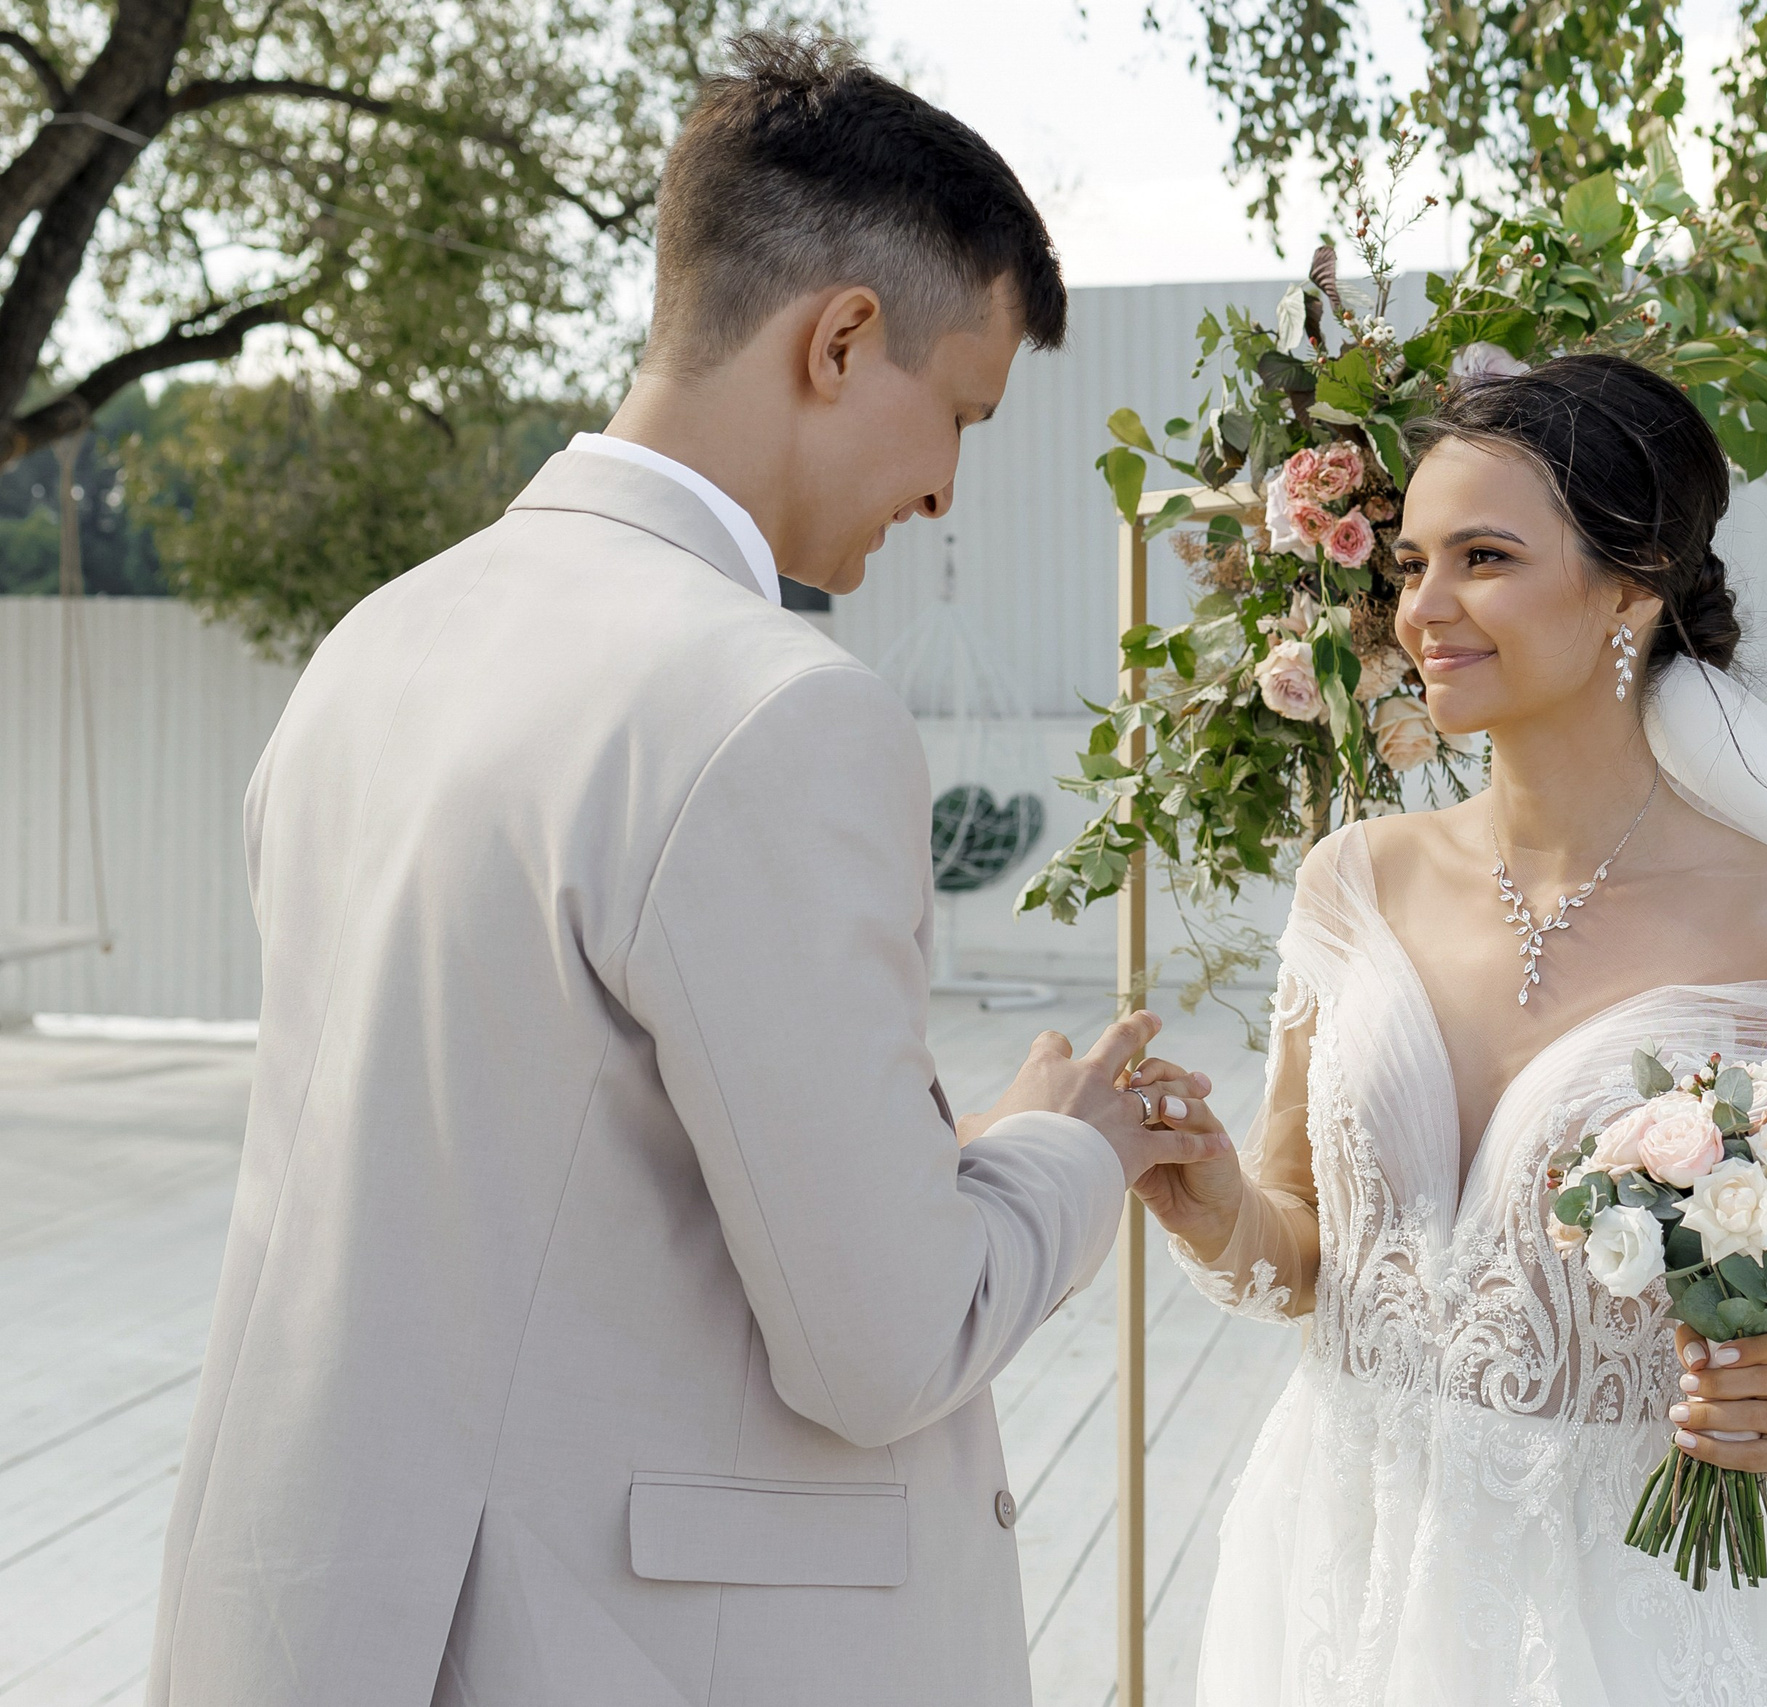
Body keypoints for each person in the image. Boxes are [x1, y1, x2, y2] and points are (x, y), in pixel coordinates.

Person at [147, 33, 1224, 1707]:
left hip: (334, 1624)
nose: (947, 489)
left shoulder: (374, 647)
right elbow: (881, 1343)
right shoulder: (774, 709)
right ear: (842, 339)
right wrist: (1048, 1153)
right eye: (959, 413)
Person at [1128, 355, 1767, 1705]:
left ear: (1635, 582)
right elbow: (1299, 1262)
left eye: (1485, 558)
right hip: (1337, 1581)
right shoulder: (1354, 884)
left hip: (1626, 1620)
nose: (1424, 609)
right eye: (1409, 565)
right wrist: (1209, 1200)